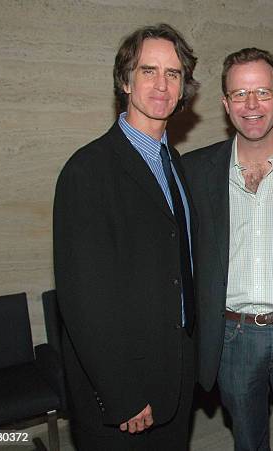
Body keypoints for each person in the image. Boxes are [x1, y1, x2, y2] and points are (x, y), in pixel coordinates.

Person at [53, 24, 199, 450]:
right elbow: (84, 299)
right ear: (124, 80)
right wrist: (122, 395)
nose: (161, 84)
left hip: (174, 379)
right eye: (148, 70)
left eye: (173, 74)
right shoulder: (88, 171)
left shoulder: (175, 164)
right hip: (124, 398)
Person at [182, 48, 273, 451]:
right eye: (240, 94)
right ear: (225, 104)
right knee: (248, 444)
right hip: (233, 336)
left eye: (262, 93)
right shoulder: (194, 172)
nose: (252, 105)